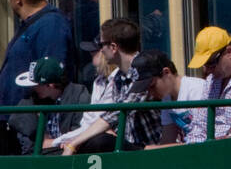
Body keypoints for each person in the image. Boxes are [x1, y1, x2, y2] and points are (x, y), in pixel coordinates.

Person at [0, 0, 78, 154]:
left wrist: (46, 127)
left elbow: (54, 77)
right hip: (15, 119)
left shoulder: (51, 25)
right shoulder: (29, 24)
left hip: (31, 124)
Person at [59, 18, 160, 154]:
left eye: (101, 45)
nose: (100, 50)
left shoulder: (144, 70)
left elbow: (116, 114)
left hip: (152, 150)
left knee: (97, 142)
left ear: (113, 47)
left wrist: (74, 143)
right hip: (129, 147)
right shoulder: (118, 76)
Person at [8, 57, 90, 156]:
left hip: (71, 156)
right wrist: (49, 142)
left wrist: (52, 142)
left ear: (50, 85)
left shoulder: (78, 96)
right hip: (42, 157)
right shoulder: (31, 100)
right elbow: (29, 144)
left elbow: (79, 135)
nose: (33, 88)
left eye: (36, 85)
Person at [128, 49, 207, 146]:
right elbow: (168, 139)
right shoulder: (166, 97)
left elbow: (202, 138)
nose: (150, 93)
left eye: (152, 86)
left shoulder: (196, 89)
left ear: (166, 72)